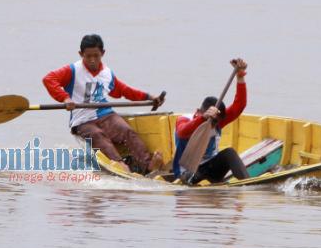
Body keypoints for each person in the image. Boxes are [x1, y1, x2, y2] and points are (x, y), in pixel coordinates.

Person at [42, 34, 165, 173]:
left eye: (96, 56)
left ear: (103, 53)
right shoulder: (73, 70)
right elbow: (49, 79)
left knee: (126, 131)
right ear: (81, 54)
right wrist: (65, 98)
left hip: (106, 114)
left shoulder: (107, 73)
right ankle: (120, 165)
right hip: (82, 120)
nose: (92, 60)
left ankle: (148, 165)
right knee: (97, 134)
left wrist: (149, 97)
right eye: (88, 56)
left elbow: (123, 90)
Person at [173, 58, 249, 184]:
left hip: (211, 168)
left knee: (229, 153)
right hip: (188, 172)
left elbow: (239, 106)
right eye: (212, 121)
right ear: (198, 111)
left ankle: (247, 184)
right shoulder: (184, 119)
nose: (213, 125)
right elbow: (182, 132)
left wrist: (240, 76)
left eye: (215, 122)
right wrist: (203, 118)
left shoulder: (218, 122)